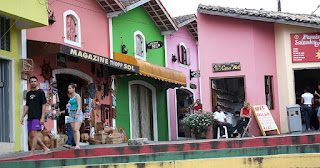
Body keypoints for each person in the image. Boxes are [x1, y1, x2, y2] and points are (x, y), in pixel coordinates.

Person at [20, 76, 50, 155]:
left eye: (34, 81)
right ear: (29, 83)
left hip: (38, 116)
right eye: (31, 81)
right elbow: (27, 106)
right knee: (32, 135)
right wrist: (23, 116)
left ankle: (32, 152)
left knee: (34, 134)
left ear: (37, 82)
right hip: (30, 116)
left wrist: (43, 117)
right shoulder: (29, 93)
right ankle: (45, 148)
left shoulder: (41, 92)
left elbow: (44, 105)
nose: (33, 83)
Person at [68, 83, 83, 149]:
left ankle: (77, 144)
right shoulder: (70, 96)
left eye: (70, 88)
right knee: (73, 129)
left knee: (76, 129)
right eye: (68, 88)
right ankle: (75, 143)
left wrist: (77, 113)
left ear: (74, 89)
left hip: (77, 112)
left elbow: (79, 105)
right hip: (71, 113)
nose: (69, 90)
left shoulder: (77, 96)